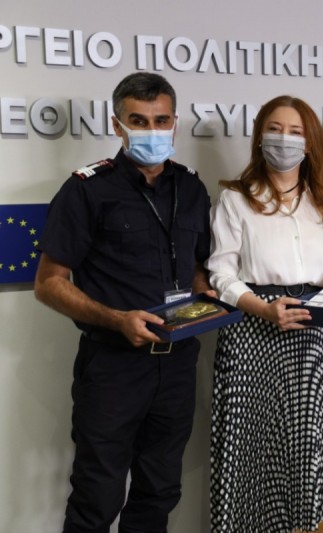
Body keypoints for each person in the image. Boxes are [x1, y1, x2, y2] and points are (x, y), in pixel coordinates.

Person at [33, 72, 213, 533]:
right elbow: (49, 283)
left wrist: (206, 295)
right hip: (113, 366)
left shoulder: (191, 188)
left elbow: (197, 265)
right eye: (139, 120)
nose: (152, 130)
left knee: (160, 491)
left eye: (161, 120)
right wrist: (116, 319)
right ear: (118, 125)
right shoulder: (86, 189)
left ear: (175, 122)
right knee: (98, 495)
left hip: (177, 364)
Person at [206, 95, 323, 532]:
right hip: (252, 331)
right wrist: (264, 309)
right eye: (275, 129)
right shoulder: (235, 198)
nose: (284, 139)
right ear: (260, 136)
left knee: (304, 447)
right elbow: (221, 275)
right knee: (251, 447)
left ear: (310, 142)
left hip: (310, 332)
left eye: (296, 132)